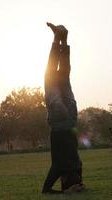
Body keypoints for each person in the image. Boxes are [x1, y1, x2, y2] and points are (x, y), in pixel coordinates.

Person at [42, 22, 85, 194]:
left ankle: (63, 38)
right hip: (59, 119)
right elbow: (46, 190)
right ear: (64, 180)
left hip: (72, 116)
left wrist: (76, 186)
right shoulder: (60, 167)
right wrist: (64, 192)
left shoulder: (77, 165)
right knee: (51, 73)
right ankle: (56, 38)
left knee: (65, 75)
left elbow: (79, 183)